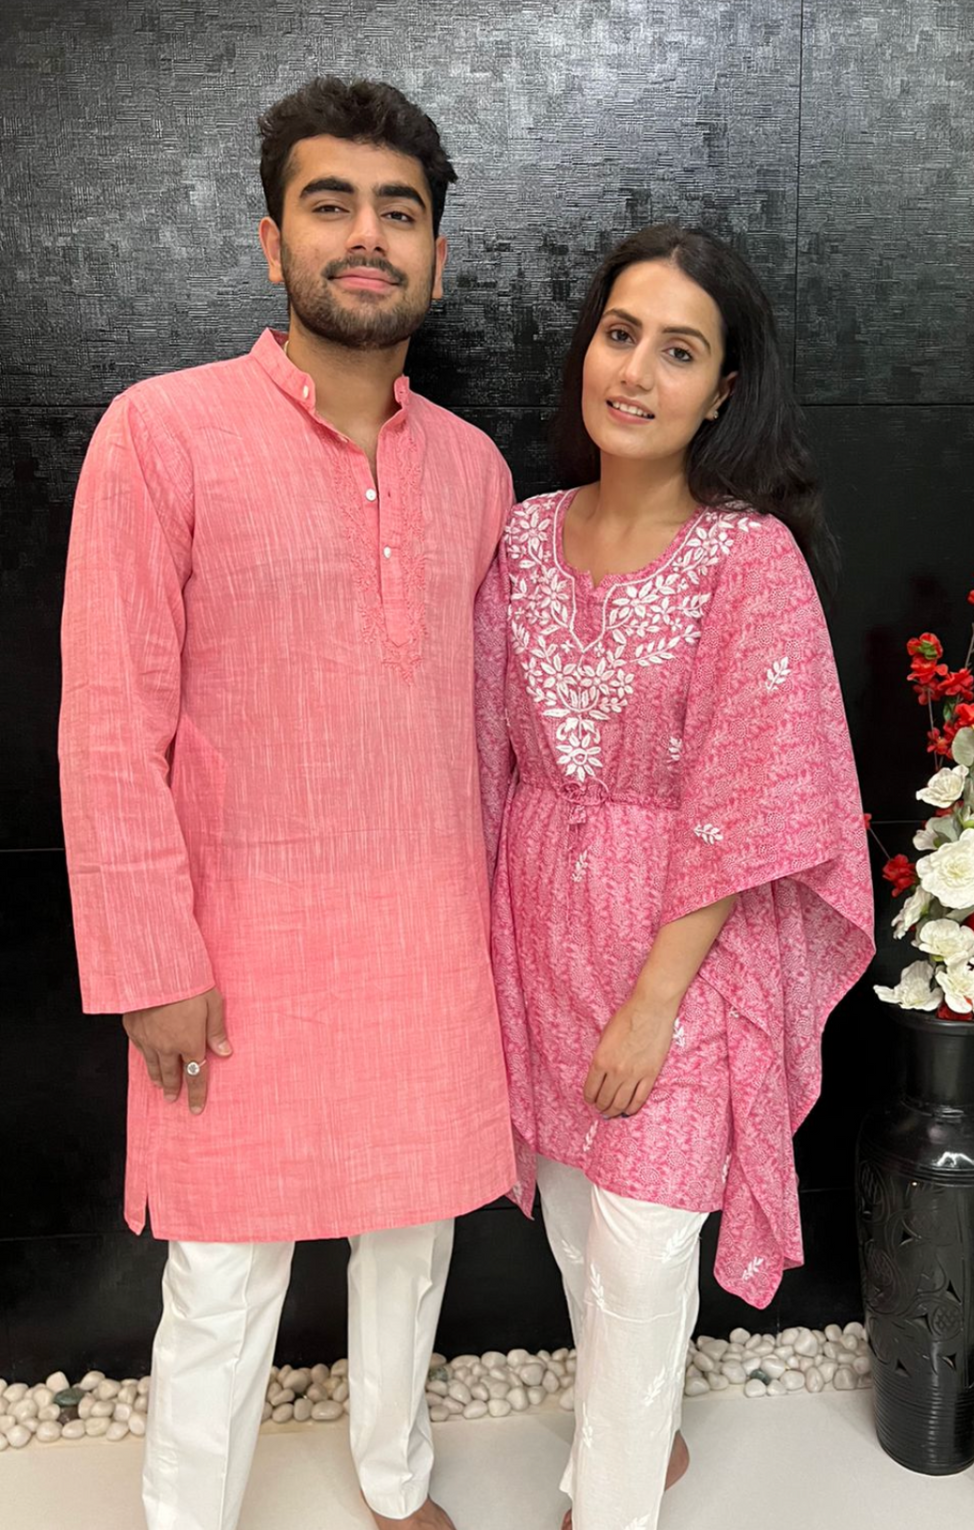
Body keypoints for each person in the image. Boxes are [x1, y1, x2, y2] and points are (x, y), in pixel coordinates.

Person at [58, 77, 515, 1530]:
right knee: (222, 1269)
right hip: (233, 948)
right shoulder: (162, 434)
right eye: (331, 205)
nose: (366, 236)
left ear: (437, 256)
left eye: (399, 212)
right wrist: (151, 963)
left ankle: (394, 1481)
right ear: (272, 242)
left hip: (425, 944)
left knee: (414, 1239)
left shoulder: (476, 472)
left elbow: (487, 728)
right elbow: (108, 725)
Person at [475, 224, 875, 1530]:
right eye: (621, 333)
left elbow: (755, 799)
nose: (638, 371)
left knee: (645, 1260)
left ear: (722, 391)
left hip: (677, 956)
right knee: (579, 1242)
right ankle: (641, 1449)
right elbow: (476, 744)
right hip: (538, 937)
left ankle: (613, 1506)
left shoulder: (746, 560)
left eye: (681, 350)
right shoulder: (521, 539)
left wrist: (654, 1002)